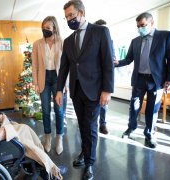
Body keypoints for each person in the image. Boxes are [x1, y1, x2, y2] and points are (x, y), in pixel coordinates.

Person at [55, 1, 114, 179]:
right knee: (82, 125)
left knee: (90, 126)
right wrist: (59, 90)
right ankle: (84, 152)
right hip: (76, 90)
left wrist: (107, 90)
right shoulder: (68, 41)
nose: (69, 20)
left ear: (81, 13)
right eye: (66, 17)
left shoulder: (100, 32)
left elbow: (107, 62)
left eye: (71, 15)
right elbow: (64, 67)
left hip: (95, 90)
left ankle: (89, 163)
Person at [114, 12, 170, 148]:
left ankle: (149, 134)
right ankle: (131, 128)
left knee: (152, 109)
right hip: (139, 79)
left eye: (142, 25)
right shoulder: (135, 41)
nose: (140, 28)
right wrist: (116, 62)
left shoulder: (166, 36)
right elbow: (129, 59)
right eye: (138, 26)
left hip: (156, 80)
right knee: (134, 106)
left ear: (152, 23)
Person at [32, 16, 68, 155]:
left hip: (58, 78)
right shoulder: (37, 44)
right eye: (43, 28)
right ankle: (47, 138)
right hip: (44, 78)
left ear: (54, 28)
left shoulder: (62, 42)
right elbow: (34, 65)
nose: (45, 30)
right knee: (46, 110)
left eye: (48, 28)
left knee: (59, 111)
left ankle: (59, 138)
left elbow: (66, 65)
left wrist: (66, 84)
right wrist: (35, 83)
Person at [94, 19, 116, 134]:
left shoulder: (110, 42)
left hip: (105, 79)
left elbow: (112, 59)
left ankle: (103, 124)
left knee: (104, 104)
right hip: (93, 78)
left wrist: (114, 61)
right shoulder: (92, 42)